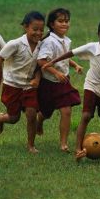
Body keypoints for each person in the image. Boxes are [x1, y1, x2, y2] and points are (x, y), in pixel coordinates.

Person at [42, 19, 100, 160]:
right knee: (86, 116)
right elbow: (71, 53)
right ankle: (78, 148)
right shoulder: (92, 47)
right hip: (91, 86)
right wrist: (53, 62)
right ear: (98, 35)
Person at [0, 11, 45, 153]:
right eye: (35, 29)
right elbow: (0, 59)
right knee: (14, 118)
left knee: (32, 115)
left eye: (41, 29)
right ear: (25, 27)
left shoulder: (41, 45)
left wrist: (37, 79)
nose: (38, 33)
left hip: (29, 86)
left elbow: (39, 66)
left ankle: (31, 145)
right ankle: (2, 118)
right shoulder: (15, 44)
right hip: (12, 85)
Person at [36, 8, 82, 153]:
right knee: (46, 112)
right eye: (60, 21)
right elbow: (41, 61)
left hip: (63, 82)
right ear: (51, 24)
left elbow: (63, 57)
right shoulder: (49, 42)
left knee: (66, 111)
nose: (64, 24)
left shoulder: (66, 41)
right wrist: (55, 72)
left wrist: (75, 65)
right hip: (49, 83)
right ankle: (39, 120)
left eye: (67, 21)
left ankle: (63, 143)